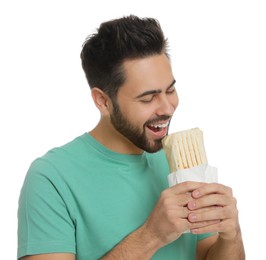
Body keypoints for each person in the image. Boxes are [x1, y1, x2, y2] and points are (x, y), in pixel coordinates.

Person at [17, 15, 245, 260]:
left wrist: (231, 235)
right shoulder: (51, 178)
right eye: (148, 98)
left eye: (170, 90)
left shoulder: (179, 162)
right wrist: (152, 236)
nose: (167, 107)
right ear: (103, 101)